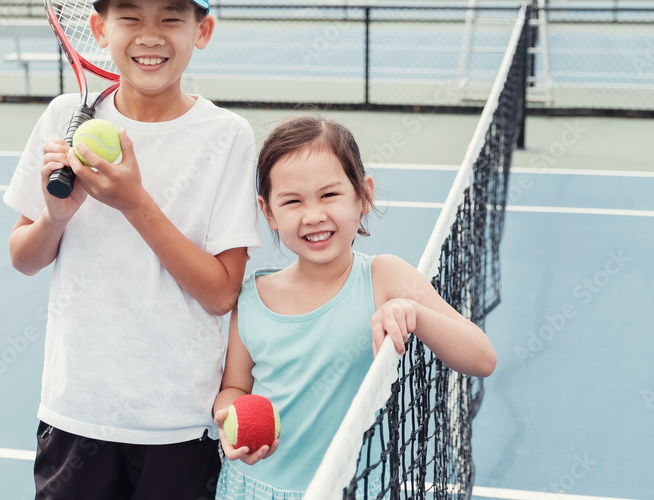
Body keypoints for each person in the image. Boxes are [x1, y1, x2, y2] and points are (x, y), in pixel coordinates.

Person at [4, 0, 263, 500]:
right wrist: (55, 217)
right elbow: (23, 257)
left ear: (203, 32)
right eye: (130, 17)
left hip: (178, 423)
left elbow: (222, 293)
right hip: (76, 413)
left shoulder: (228, 138)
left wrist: (134, 203)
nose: (150, 35)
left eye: (172, 17)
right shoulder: (61, 118)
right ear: (99, 31)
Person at [211, 116, 497, 499]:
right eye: (292, 201)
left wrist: (415, 314)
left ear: (363, 195)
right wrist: (229, 416)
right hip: (253, 489)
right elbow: (234, 387)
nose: (313, 215)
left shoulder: (385, 278)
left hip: (352, 490)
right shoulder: (250, 297)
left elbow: (482, 358)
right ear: (269, 213)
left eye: (329, 195)